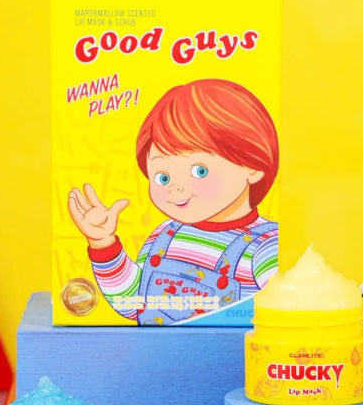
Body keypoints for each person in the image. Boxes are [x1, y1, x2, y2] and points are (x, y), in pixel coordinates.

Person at [68, 78, 279, 325]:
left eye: (199, 171)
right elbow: (132, 303)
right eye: (163, 177)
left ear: (252, 166)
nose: (176, 188)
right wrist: (103, 243)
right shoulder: (164, 237)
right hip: (159, 348)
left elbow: (279, 315)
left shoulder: (266, 247)